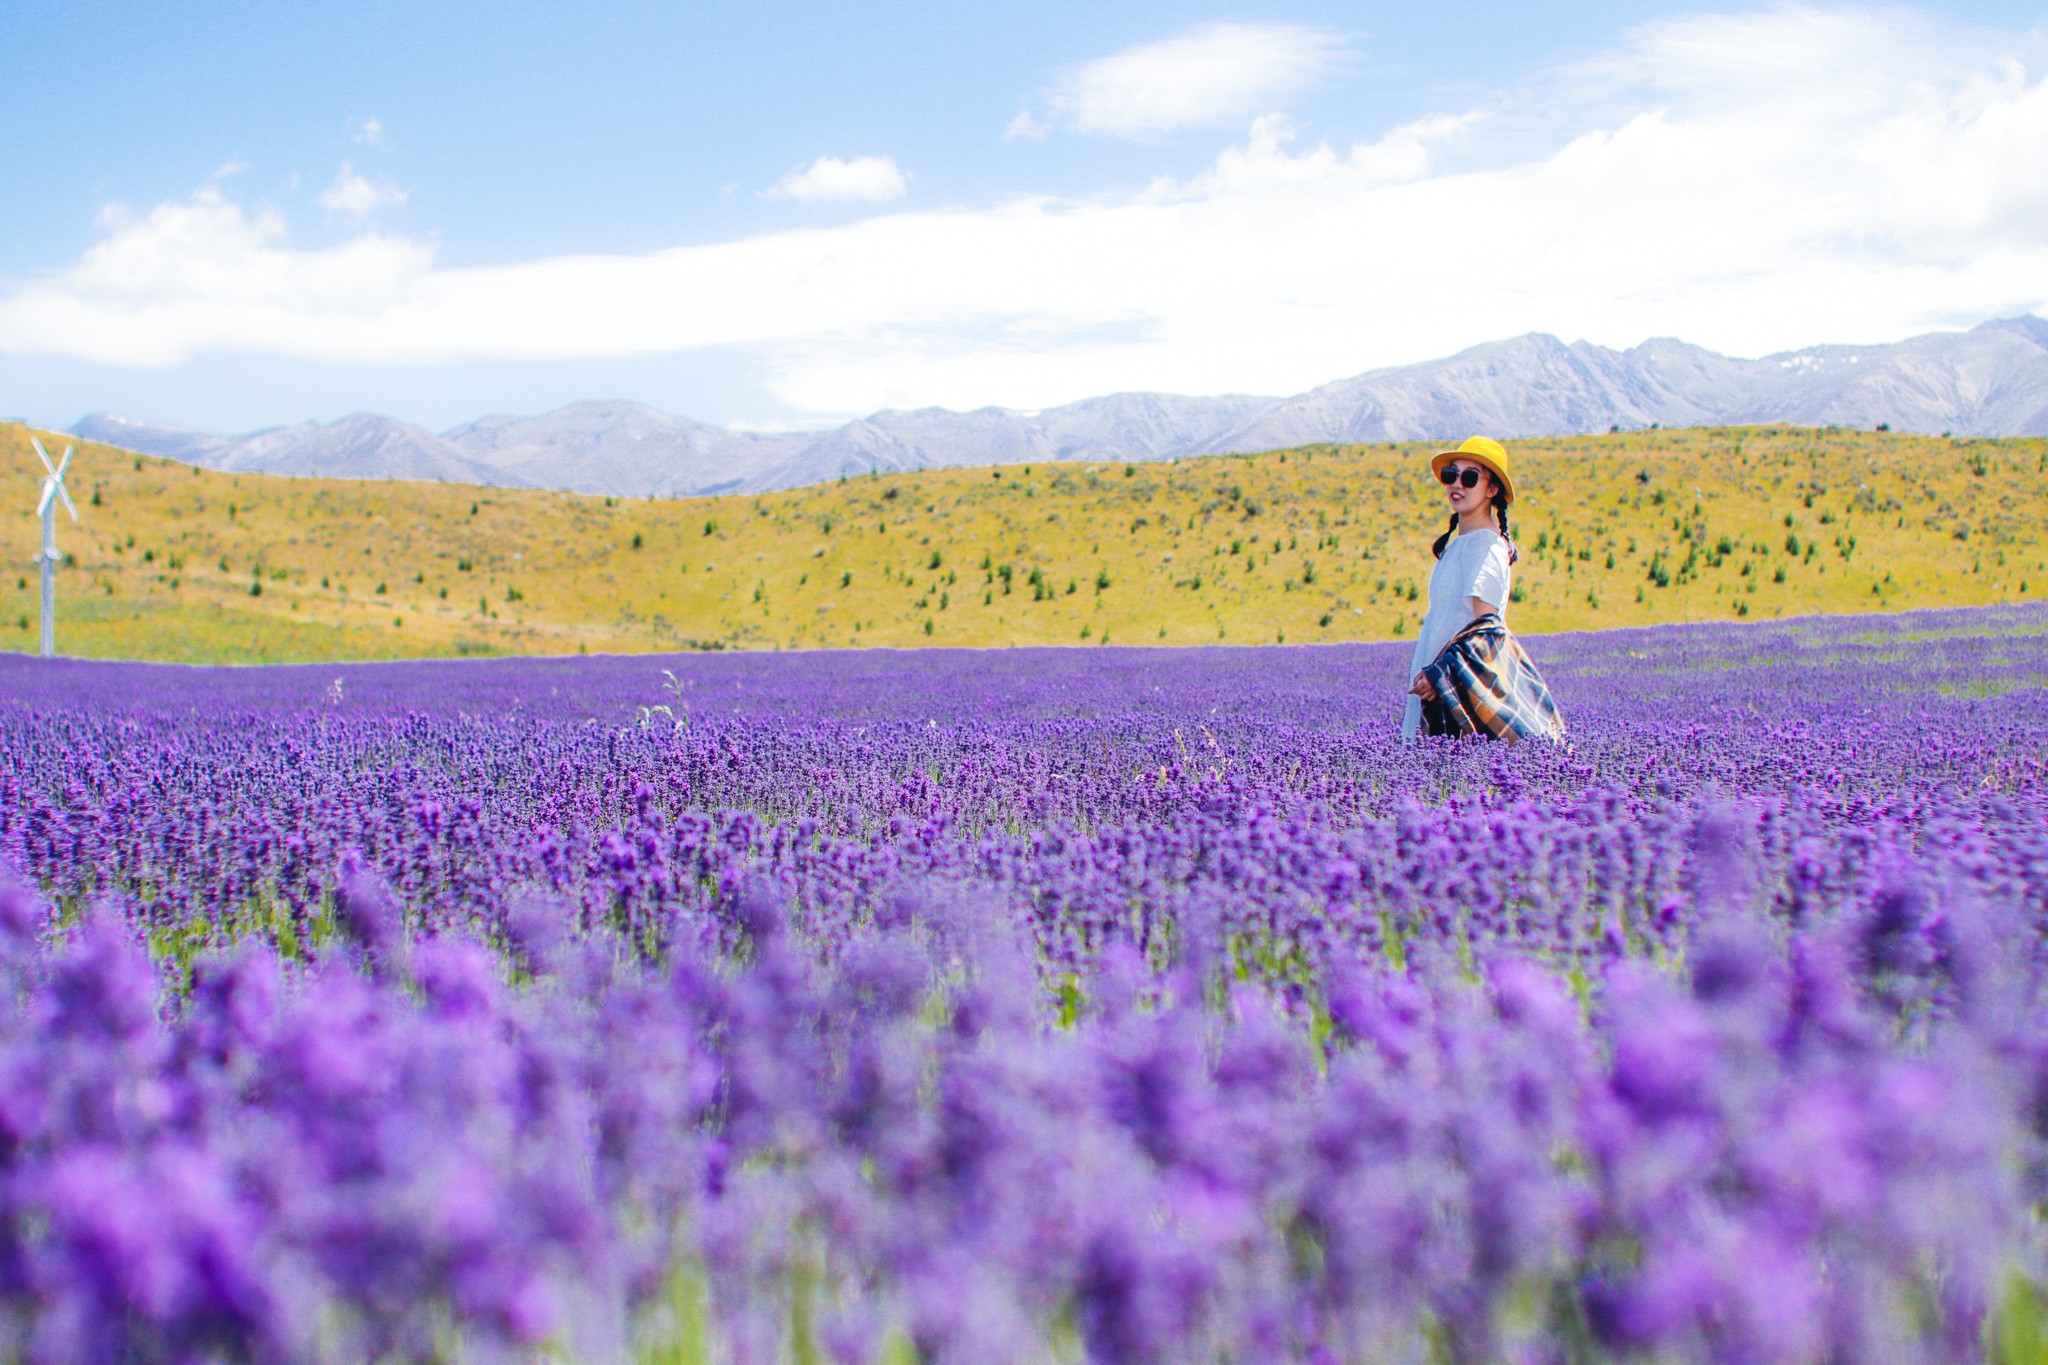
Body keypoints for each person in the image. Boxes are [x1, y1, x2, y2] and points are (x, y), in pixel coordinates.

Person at [1402, 436, 1565, 744]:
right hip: (1441, 683)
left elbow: (1484, 631)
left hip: (1459, 688)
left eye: (1470, 477)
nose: (1457, 484)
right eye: (1451, 474)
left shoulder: (1486, 546)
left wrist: (1440, 676)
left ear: (1492, 490)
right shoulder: (1461, 544)